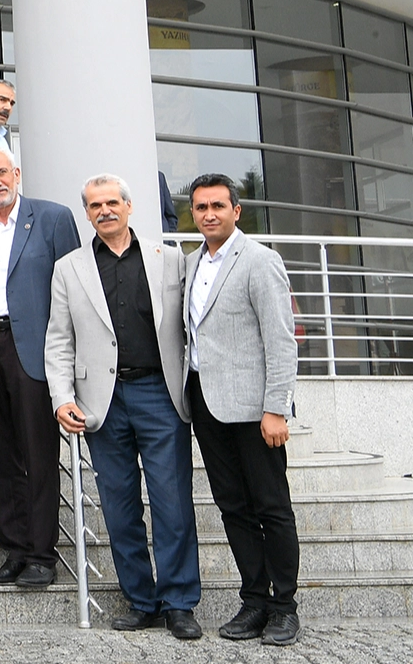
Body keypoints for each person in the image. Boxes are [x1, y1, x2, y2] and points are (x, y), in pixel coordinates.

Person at [48, 174, 200, 640]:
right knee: (118, 508)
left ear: (129, 206)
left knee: (173, 503)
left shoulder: (168, 259)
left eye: (112, 202)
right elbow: (59, 340)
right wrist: (62, 398)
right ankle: (141, 600)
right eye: (95, 205)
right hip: (102, 403)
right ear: (87, 213)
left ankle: (179, 603)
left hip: (160, 394)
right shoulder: (69, 268)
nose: (105, 211)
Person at [0, 146, 80, 588]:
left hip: (37, 349)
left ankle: (42, 554)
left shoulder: (53, 218)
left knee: (38, 454)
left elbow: (75, 287)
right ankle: (15, 549)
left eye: (2, 172)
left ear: (17, 173)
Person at [182, 174, 300, 646]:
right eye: (201, 207)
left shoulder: (259, 260)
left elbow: (281, 340)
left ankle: (284, 607)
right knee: (232, 506)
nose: (208, 214)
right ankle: (254, 600)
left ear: (236, 210)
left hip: (255, 410)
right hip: (207, 405)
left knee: (272, 507)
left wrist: (276, 408)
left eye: (217, 206)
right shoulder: (190, 263)